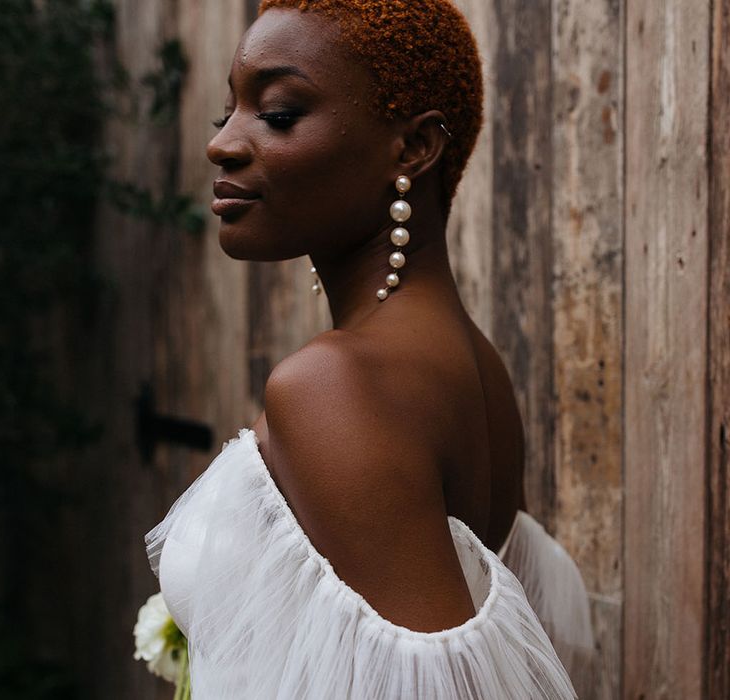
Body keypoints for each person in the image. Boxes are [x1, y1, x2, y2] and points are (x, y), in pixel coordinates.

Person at [146, 1, 594, 697]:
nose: (222, 144)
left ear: (413, 148)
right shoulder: (473, 367)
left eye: (278, 113)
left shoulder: (339, 383)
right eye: (225, 113)